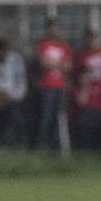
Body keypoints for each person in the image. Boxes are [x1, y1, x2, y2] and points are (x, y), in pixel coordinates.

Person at [33, 17, 71, 151]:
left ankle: (57, 147)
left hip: (59, 86)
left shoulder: (63, 46)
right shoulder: (42, 44)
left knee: (58, 117)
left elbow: (68, 66)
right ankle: (42, 145)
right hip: (46, 86)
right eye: (51, 27)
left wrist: (53, 64)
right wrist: (59, 64)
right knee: (46, 117)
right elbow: (43, 63)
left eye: (55, 27)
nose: (53, 30)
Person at [73, 69, 101, 151]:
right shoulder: (78, 89)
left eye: (88, 76)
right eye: (84, 77)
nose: (86, 78)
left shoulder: (98, 85)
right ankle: (86, 147)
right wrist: (85, 87)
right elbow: (82, 103)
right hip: (87, 112)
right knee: (85, 122)